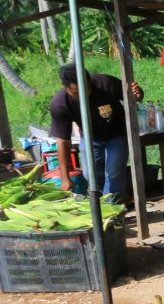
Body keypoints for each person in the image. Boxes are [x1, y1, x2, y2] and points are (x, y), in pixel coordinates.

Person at [48, 63, 144, 201]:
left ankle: (112, 206)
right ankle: (112, 200)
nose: (82, 96)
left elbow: (134, 98)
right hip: (89, 138)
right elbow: (63, 141)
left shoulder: (106, 83)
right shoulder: (60, 104)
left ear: (89, 80)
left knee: (114, 171)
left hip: (117, 132)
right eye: (76, 93)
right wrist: (65, 177)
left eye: (85, 89)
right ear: (65, 86)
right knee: (90, 175)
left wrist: (137, 94)